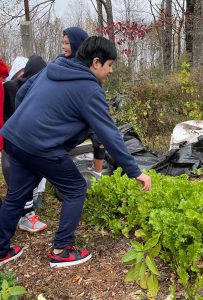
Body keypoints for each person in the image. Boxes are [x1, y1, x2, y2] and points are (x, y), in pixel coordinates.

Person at [0, 36, 151, 268]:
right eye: (110, 65)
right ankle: (61, 250)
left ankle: (1, 250)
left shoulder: (55, 66)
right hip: (41, 147)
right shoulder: (89, 88)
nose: (111, 71)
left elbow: (21, 93)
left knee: (16, 196)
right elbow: (109, 134)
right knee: (76, 188)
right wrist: (135, 171)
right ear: (96, 62)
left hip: (14, 138)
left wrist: (28, 123)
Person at [2, 55, 47, 232]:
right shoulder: (10, 88)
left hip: (30, 141)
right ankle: (20, 217)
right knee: (14, 176)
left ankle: (26, 214)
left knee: (26, 178)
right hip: (11, 139)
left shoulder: (42, 90)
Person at [62, 27, 105, 175]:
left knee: (99, 134)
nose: (63, 46)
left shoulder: (89, 69)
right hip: (63, 119)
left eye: (67, 43)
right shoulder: (59, 64)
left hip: (80, 115)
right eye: (64, 43)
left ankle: (97, 173)